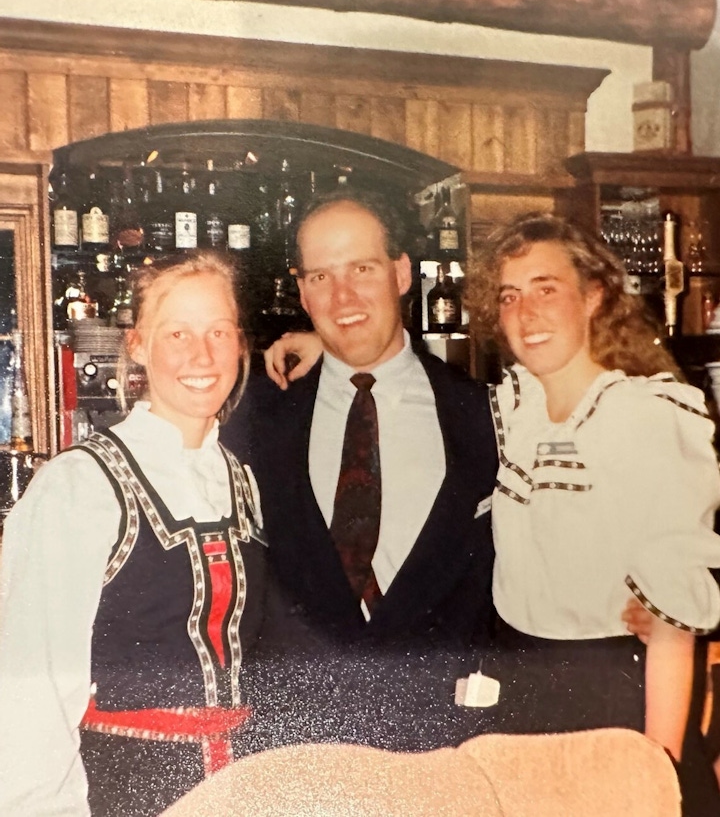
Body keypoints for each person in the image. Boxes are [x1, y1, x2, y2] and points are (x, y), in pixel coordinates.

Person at [465, 213, 720, 815]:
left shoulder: (643, 417)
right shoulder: (513, 405)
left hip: (614, 697)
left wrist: (654, 774)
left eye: (546, 289)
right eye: (510, 295)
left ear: (594, 296)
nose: (526, 313)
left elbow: (671, 630)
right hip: (519, 692)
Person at [0, 251, 271, 817]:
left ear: (241, 344)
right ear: (138, 346)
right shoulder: (79, 486)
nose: (202, 355)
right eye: (178, 333)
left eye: (219, 331)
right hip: (126, 797)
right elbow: (29, 697)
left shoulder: (242, 480)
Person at [223, 187, 498, 647]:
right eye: (320, 278)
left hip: (447, 710)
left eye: (362, 269)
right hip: (302, 712)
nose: (342, 297)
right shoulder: (254, 413)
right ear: (303, 295)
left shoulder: (482, 414)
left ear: (402, 273)